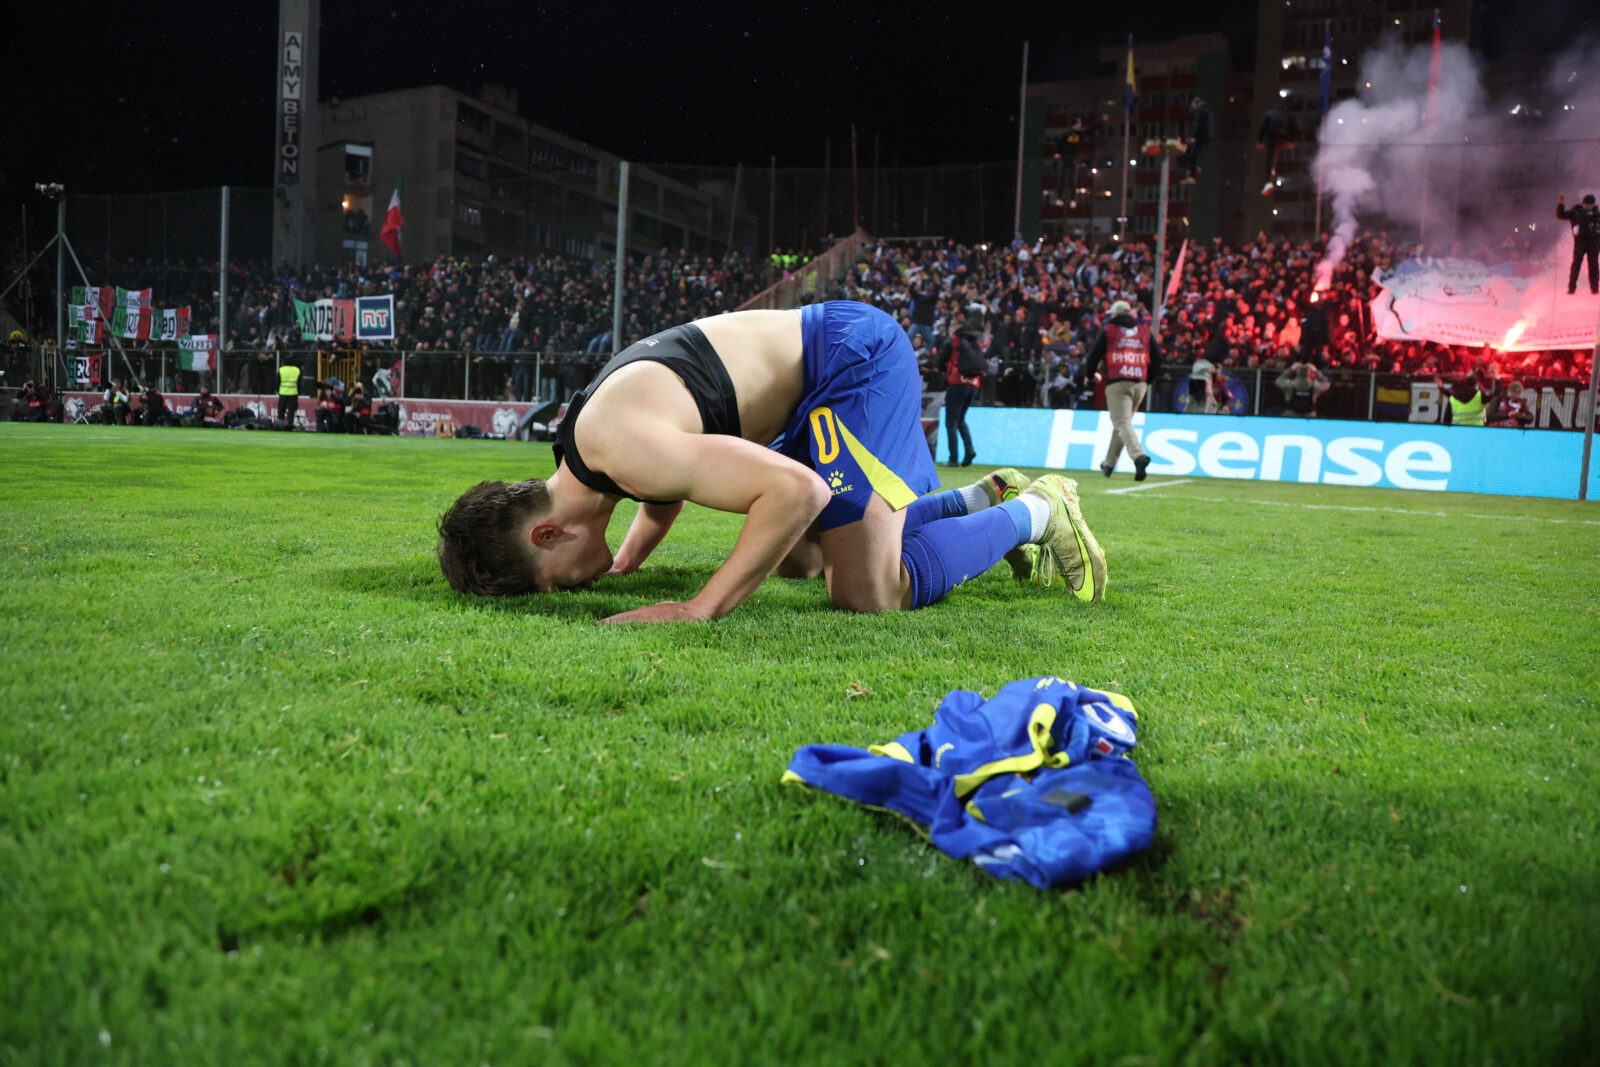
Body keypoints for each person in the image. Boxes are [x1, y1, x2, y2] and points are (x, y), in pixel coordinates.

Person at [436, 301, 1108, 623]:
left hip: (851, 361)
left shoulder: (620, 449)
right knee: (799, 558)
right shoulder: (587, 447)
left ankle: (1039, 510)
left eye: (552, 581)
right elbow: (663, 489)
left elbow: (797, 491)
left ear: (546, 533)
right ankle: (984, 497)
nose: (571, 588)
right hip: (809, 392)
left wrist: (699, 607)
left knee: (866, 592)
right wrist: (633, 552)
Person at [1077, 300, 1163, 481]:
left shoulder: (1110, 329)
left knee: (1122, 422)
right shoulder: (1144, 330)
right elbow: (1158, 358)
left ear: (1115, 314)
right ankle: (1108, 464)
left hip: (1117, 382)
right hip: (1140, 383)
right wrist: (1148, 380)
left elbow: (1094, 356)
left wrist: (1090, 374)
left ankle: (1138, 456)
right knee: (1123, 423)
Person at [943, 311, 984, 467]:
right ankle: (969, 449)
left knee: (951, 422)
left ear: (953, 330)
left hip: (956, 383)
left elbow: (942, 358)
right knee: (960, 419)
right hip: (973, 384)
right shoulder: (975, 341)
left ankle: (953, 459)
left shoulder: (954, 340)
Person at [1556, 193, 1600, 296]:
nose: (1588, 207)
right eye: (1587, 204)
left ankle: (1594, 288)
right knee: (1576, 263)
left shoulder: (1597, 213)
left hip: (1594, 242)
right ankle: (1572, 288)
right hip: (1580, 242)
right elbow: (1561, 215)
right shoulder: (1576, 212)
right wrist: (1561, 204)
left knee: (1593, 265)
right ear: (1583, 204)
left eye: (1590, 205)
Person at [1257, 103, 1299, 196]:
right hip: (1283, 137)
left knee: (1270, 159)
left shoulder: (1269, 114)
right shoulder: (1288, 115)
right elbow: (1295, 128)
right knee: (1276, 156)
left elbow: (1262, 128)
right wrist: (1291, 141)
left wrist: (1260, 141)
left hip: (1272, 137)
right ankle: (1273, 175)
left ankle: (1269, 180)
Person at [1178, 96, 1214, 186]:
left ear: (1195, 103)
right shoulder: (1206, 109)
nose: (1192, 108)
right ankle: (1193, 170)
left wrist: (1193, 137)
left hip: (1202, 136)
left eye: (1192, 105)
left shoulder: (1201, 110)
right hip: (1206, 135)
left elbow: (1199, 125)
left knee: (1191, 151)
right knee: (1194, 151)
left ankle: (1192, 173)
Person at [277, 359, 301, 430]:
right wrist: (299, 392)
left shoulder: (281, 370)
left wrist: (278, 391)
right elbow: (299, 383)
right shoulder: (297, 370)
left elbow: (277, 382)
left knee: (281, 410)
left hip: (283, 393)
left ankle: (279, 425)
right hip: (293, 393)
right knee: (291, 411)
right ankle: (289, 425)